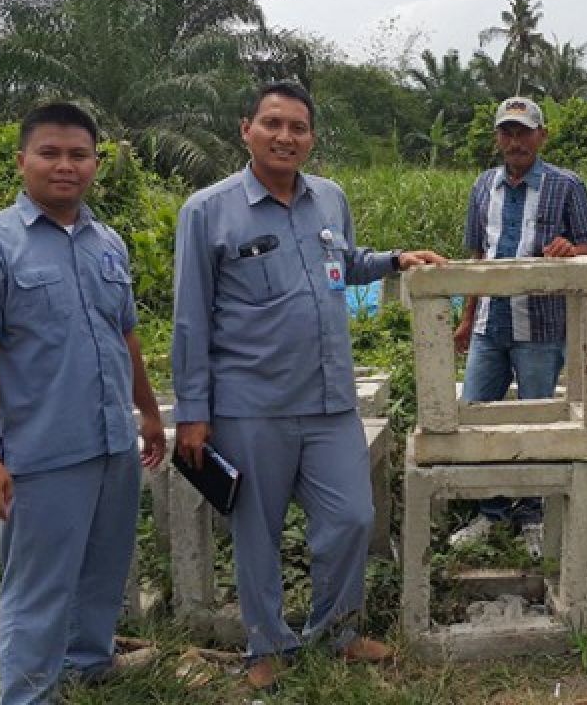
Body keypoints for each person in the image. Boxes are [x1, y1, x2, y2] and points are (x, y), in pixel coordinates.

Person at [171, 80, 445, 689]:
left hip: (329, 400)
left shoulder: (329, 198)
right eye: (273, 123)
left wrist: (395, 259)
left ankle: (337, 633)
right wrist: (192, 412)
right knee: (258, 532)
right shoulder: (207, 211)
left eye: (298, 127)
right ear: (246, 128)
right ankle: (266, 646)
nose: (285, 136)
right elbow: (190, 318)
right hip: (251, 403)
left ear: (312, 138)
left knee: (351, 517)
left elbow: (344, 263)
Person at [0, 102, 166, 705]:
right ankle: (26, 694)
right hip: (43, 450)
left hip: (110, 441)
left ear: (95, 163)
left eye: (78, 155)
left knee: (104, 566)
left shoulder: (107, 243)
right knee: (37, 588)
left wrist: (147, 412)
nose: (64, 166)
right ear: (22, 160)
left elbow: (124, 337)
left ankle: (87, 662)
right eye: (49, 153)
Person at [449, 96, 587, 557]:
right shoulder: (483, 186)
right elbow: (477, 257)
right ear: (497, 137)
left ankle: (533, 513)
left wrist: (569, 250)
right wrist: (465, 318)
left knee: (538, 419)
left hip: (541, 326)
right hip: (489, 326)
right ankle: (491, 512)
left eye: (523, 131)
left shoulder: (566, 186)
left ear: (542, 135)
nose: (515, 141)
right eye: (507, 132)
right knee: (477, 415)